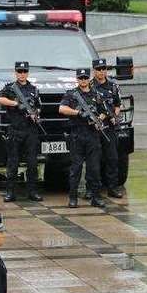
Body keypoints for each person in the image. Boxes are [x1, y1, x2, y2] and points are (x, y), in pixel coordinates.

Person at [59, 68, 107, 208]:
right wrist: (78, 113)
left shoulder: (96, 94)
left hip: (92, 135)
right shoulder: (71, 94)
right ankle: (73, 198)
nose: (83, 80)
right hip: (77, 135)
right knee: (76, 168)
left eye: (85, 78)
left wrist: (98, 119)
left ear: (89, 78)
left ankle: (96, 197)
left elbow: (104, 111)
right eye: (81, 78)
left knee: (94, 169)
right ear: (77, 79)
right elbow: (62, 109)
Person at [0, 61, 43, 202]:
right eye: (19, 71)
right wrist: (16, 103)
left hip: (30, 130)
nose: (22, 74)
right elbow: (0, 99)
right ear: (15, 72)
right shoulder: (10, 88)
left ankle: (32, 192)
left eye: (24, 71)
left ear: (27, 73)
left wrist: (35, 114)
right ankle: (10, 192)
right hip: (15, 129)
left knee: (32, 163)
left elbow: (38, 106)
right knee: (13, 162)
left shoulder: (33, 89)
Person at [90, 58, 124, 198]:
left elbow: (118, 104)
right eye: (98, 69)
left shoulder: (113, 86)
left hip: (109, 128)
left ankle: (112, 188)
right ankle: (92, 189)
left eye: (103, 69)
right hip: (94, 129)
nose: (101, 71)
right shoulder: (89, 86)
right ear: (94, 70)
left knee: (112, 159)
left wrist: (114, 115)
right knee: (93, 160)